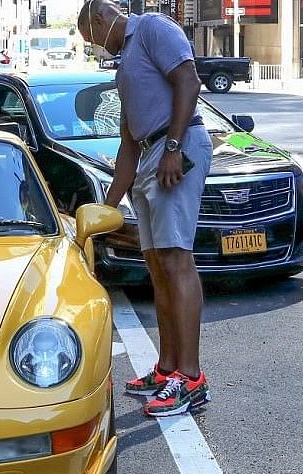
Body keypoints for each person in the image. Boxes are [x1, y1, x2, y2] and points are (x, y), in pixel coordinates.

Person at [78, 0, 213, 417]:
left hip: (177, 149)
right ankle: (167, 366)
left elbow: (189, 81)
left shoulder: (153, 28)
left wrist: (173, 147)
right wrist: (106, 209)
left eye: (92, 38)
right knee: (157, 265)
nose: (96, 46)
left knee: (176, 261)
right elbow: (127, 144)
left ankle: (189, 378)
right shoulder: (124, 67)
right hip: (149, 156)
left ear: (101, 19)